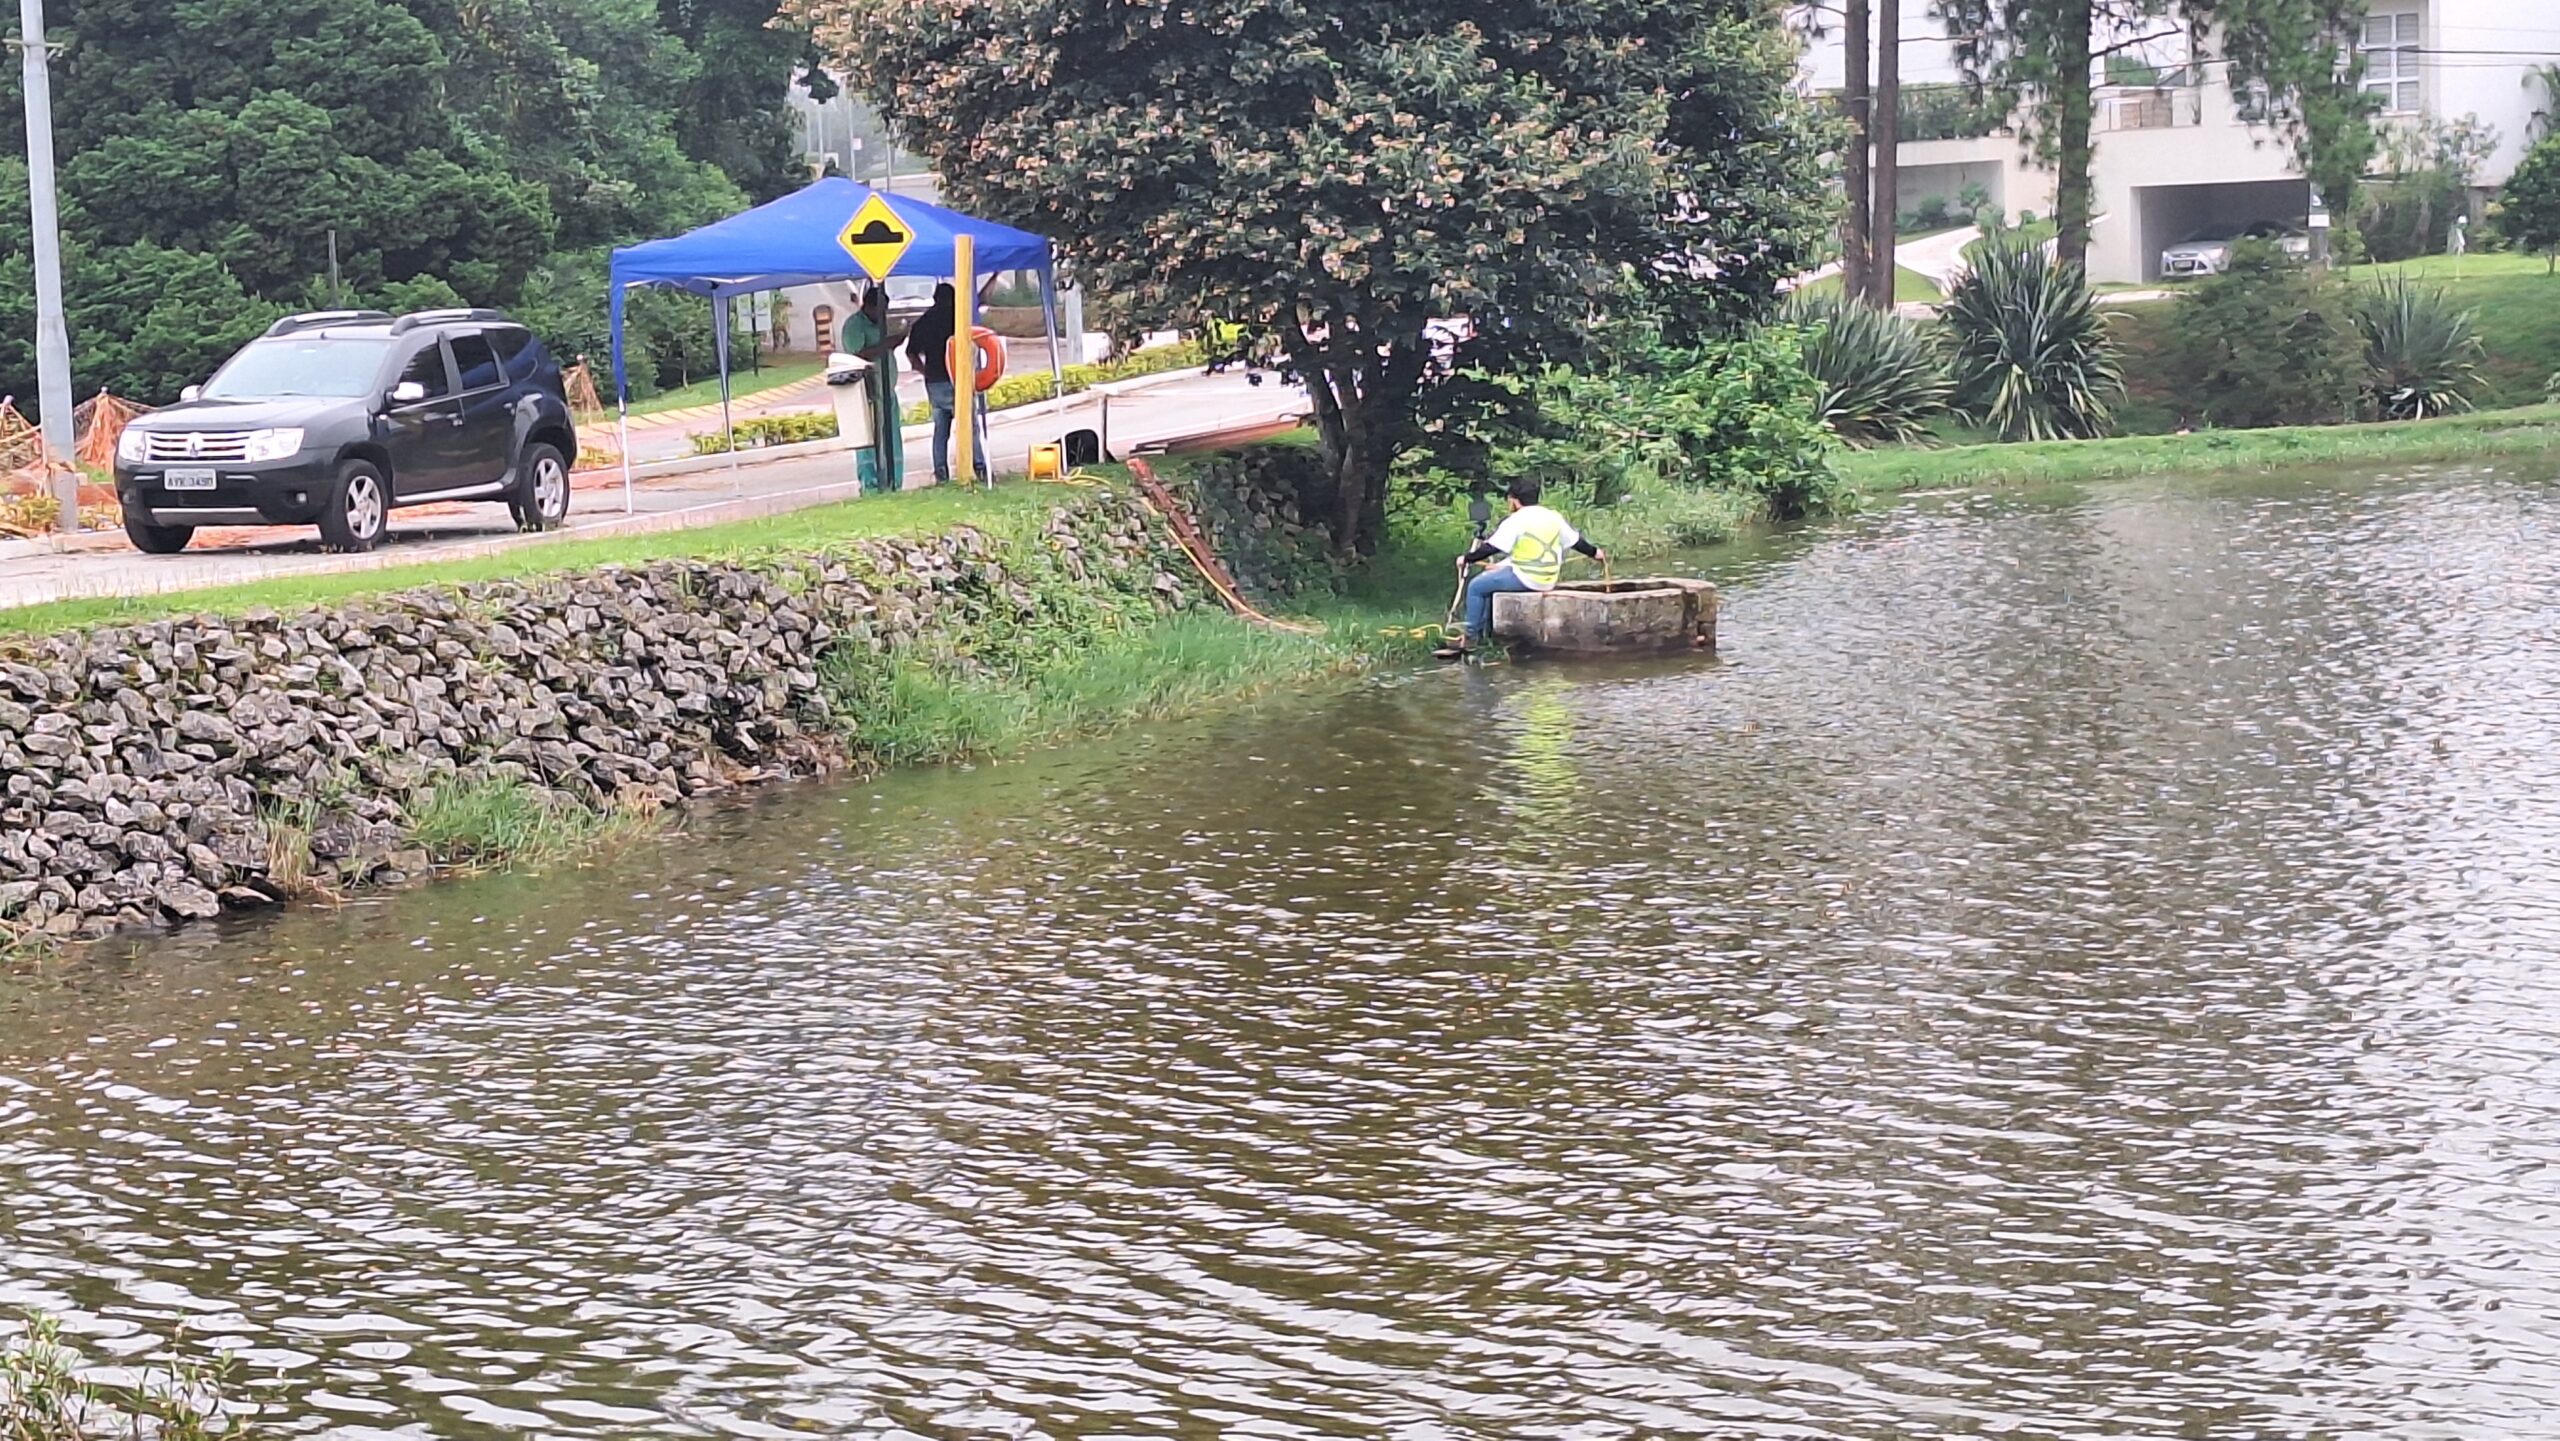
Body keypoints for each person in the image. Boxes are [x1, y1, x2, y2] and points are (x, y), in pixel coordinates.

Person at [1439, 478, 1606, 661]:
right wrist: (1595, 553)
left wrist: (1466, 559)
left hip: (1527, 578)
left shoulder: (1516, 520)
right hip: (1547, 579)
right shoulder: (1553, 516)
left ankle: (1471, 638)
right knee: (1490, 580)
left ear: (1514, 500)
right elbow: (1576, 542)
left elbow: (1491, 548)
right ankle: (1485, 635)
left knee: (1476, 587)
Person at [904, 283, 990, 485]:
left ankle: (941, 473)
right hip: (957, 379)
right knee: (969, 425)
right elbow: (980, 304)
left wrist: (924, 371)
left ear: (934, 299)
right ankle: (979, 467)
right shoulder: (958, 319)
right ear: (953, 299)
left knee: (941, 430)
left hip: (934, 381)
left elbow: (911, 353)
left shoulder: (923, 322)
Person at [838, 285, 905, 495]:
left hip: (887, 390)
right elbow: (857, 355)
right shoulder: (855, 325)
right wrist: (887, 344)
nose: (883, 314)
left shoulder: (881, 324)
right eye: (880, 310)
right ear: (868, 306)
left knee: (891, 438)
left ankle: (893, 481)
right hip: (868, 393)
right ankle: (871, 484)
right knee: (869, 439)